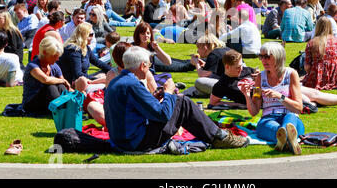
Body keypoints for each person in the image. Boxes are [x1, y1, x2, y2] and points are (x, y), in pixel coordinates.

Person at [104, 46, 249, 153]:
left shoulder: (118, 82)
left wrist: (155, 98)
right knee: (182, 102)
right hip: (136, 143)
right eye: (148, 65)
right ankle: (219, 137)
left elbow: (135, 109)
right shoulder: (133, 84)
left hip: (121, 141)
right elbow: (163, 114)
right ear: (142, 66)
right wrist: (168, 93)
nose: (149, 69)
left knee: (178, 101)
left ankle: (217, 135)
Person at [238, 42, 304, 154]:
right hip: (269, 117)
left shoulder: (291, 74)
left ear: (278, 57)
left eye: (267, 57)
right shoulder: (260, 78)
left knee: (289, 121)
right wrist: (247, 95)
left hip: (290, 115)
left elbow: (298, 108)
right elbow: (254, 112)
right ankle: (289, 139)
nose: (263, 60)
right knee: (269, 126)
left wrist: (279, 96)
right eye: (261, 56)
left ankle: (284, 137)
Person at [21, 36, 71, 114]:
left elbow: (64, 86)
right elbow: (45, 80)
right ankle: (61, 110)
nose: (57, 59)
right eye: (55, 55)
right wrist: (63, 80)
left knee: (60, 86)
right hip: (31, 104)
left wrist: (76, 94)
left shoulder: (54, 67)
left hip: (46, 102)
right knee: (50, 86)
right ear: (44, 53)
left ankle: (69, 107)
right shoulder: (32, 66)